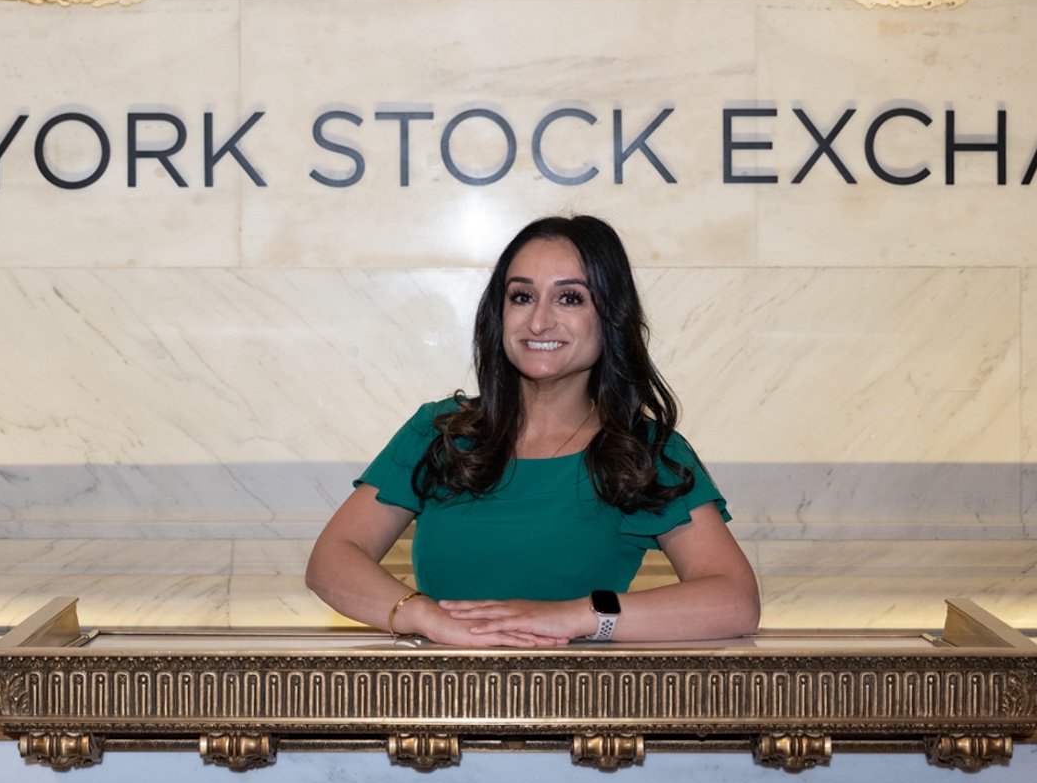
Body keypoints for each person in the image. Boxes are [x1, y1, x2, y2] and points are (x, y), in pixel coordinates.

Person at [305, 215, 761, 647]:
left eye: (570, 298)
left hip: (583, 716)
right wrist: (424, 617)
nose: (539, 321)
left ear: (610, 318)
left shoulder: (643, 452)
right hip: (441, 709)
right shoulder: (441, 431)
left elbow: (735, 601)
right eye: (521, 296)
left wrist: (576, 616)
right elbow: (332, 561)